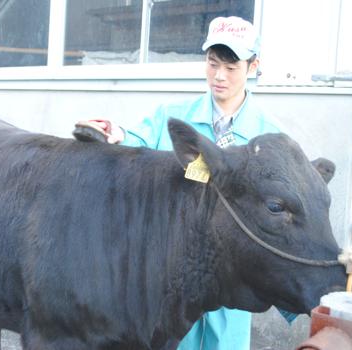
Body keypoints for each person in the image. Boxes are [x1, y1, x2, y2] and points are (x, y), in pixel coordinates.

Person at [75, 16, 281, 350]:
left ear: (254, 66)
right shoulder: (175, 118)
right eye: (212, 63)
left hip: (229, 285)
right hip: (170, 281)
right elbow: (138, 144)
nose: (219, 76)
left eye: (231, 67)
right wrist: (117, 134)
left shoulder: (268, 138)